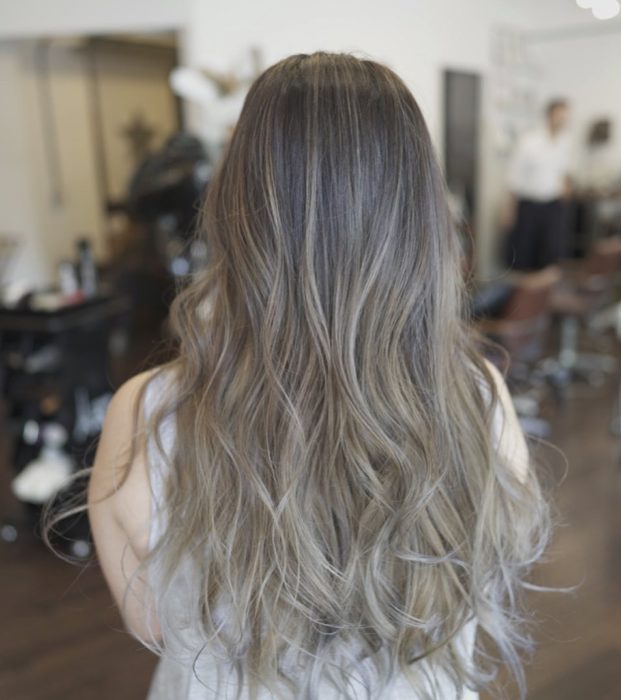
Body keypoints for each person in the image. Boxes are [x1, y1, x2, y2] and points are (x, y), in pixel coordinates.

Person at [79, 53, 550, 699]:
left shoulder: (146, 414)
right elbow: (483, 585)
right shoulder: (479, 400)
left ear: (234, 204)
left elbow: (156, 623)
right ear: (419, 214)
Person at [502, 98, 573, 271]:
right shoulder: (529, 141)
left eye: (565, 117)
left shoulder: (565, 142)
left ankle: (545, 293)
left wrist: (566, 188)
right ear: (549, 115)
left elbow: (565, 171)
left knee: (551, 252)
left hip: (553, 205)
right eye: (559, 116)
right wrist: (509, 210)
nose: (562, 120)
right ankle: (525, 294)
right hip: (529, 205)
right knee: (525, 252)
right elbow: (514, 177)